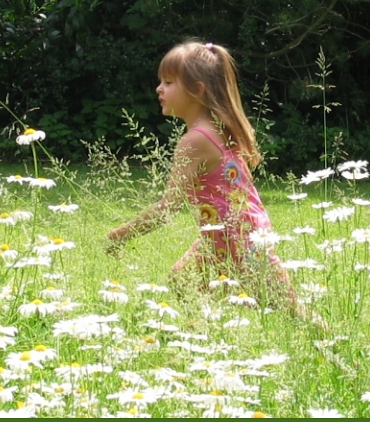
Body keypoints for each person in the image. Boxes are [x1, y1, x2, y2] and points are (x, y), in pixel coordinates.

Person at [105, 40, 300, 313]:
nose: (159, 89)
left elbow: (168, 208)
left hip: (233, 237)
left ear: (196, 90)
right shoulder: (220, 129)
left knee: (285, 306)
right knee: (184, 278)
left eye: (169, 82)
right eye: (161, 81)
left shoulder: (194, 140)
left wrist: (121, 234)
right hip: (242, 232)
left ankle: (210, 336)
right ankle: (208, 336)